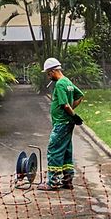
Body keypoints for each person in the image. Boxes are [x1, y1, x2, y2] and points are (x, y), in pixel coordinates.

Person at [39, 57, 84, 190]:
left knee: (54, 150)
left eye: (48, 73)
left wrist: (72, 113)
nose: (48, 77)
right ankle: (67, 180)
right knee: (66, 150)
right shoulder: (68, 82)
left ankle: (53, 182)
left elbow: (64, 104)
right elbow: (80, 95)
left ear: (53, 71)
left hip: (61, 123)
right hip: (68, 123)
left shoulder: (59, 84)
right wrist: (72, 111)